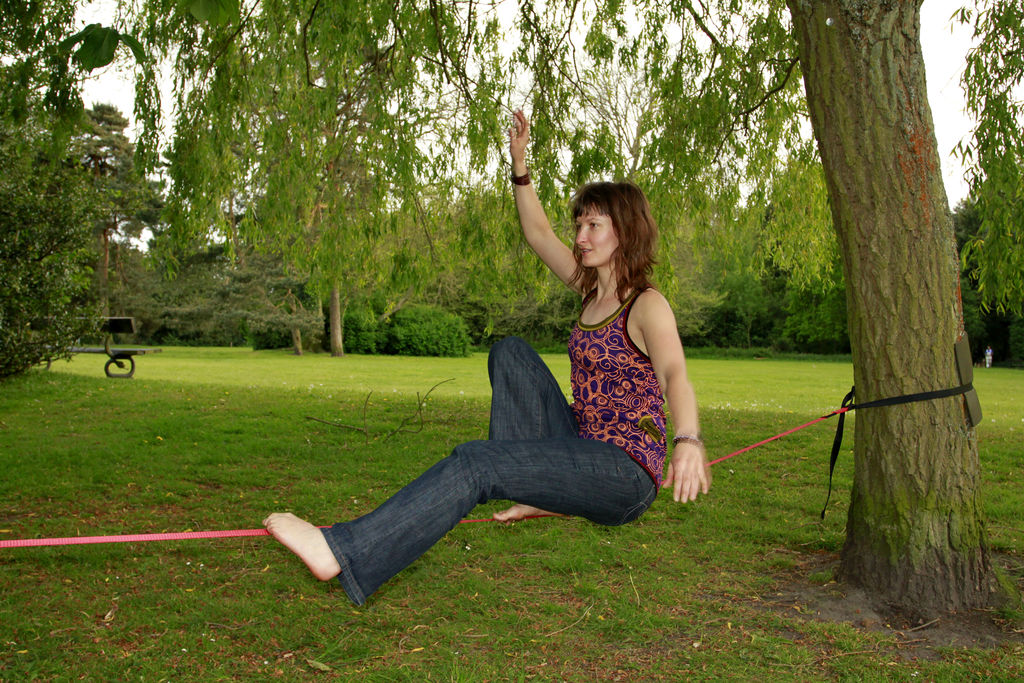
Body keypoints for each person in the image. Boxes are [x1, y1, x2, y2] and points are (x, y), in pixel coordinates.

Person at [262, 110, 710, 606]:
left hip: (624, 472)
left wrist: (688, 439)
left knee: (478, 463)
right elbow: (539, 235)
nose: (580, 236)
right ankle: (534, 487)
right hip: (580, 445)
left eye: (594, 225)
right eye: (579, 224)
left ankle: (342, 551)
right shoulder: (590, 292)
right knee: (510, 353)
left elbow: (675, 374)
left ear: (623, 230)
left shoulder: (647, 304)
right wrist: (520, 166)